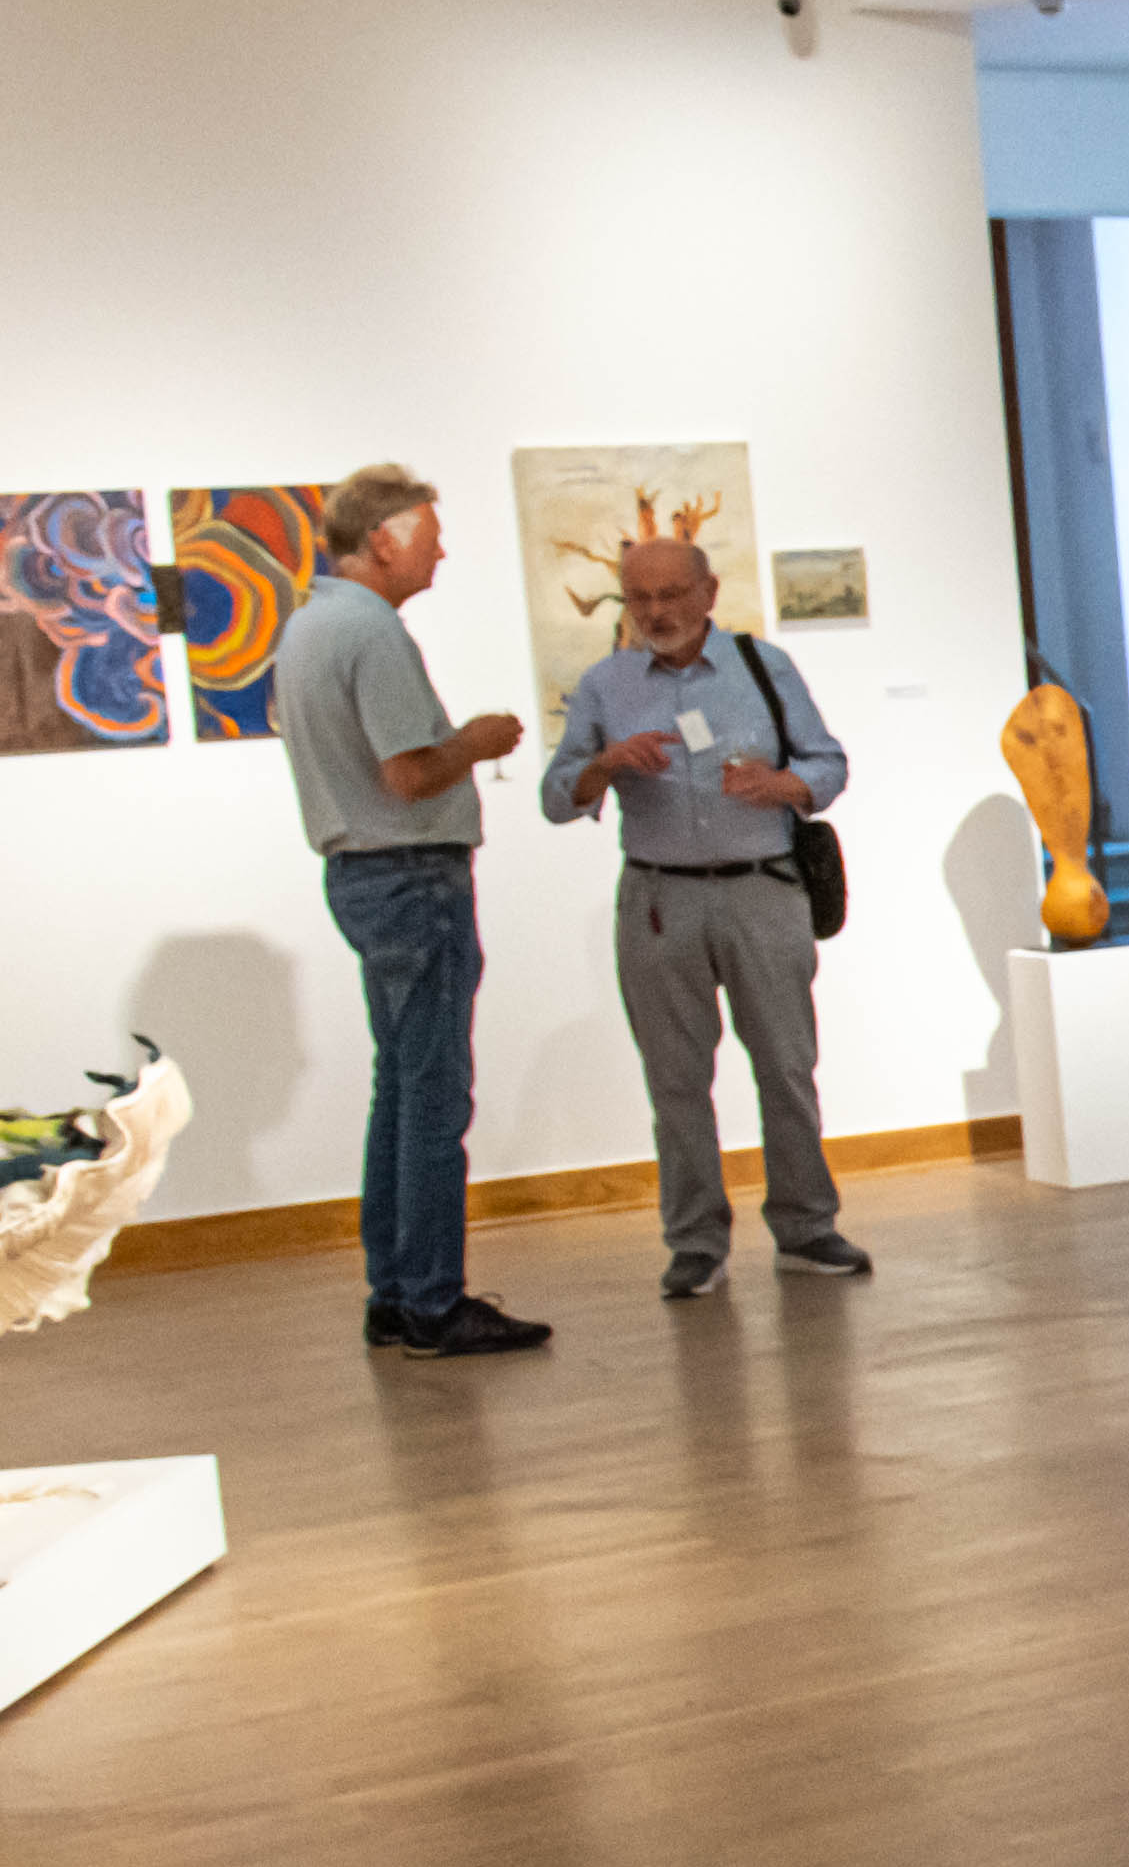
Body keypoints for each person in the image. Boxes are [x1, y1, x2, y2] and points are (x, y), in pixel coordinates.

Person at [541, 533, 869, 1298]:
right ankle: (694, 1242)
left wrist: (783, 785)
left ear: (708, 593)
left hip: (763, 889)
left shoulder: (765, 667)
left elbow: (828, 763)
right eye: (640, 598)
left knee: (786, 1066)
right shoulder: (605, 685)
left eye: (671, 595)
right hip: (659, 899)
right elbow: (557, 797)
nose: (656, 612)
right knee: (676, 1080)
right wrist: (605, 765)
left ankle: (806, 1226)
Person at [274, 463, 548, 1360]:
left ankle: (395, 1293)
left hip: (362, 876)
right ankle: (432, 1301)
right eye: (430, 536)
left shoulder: (309, 626)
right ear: (384, 541)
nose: (442, 552)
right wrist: (479, 740)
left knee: (399, 1086)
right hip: (412, 878)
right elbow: (409, 773)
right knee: (431, 1095)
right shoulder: (371, 631)